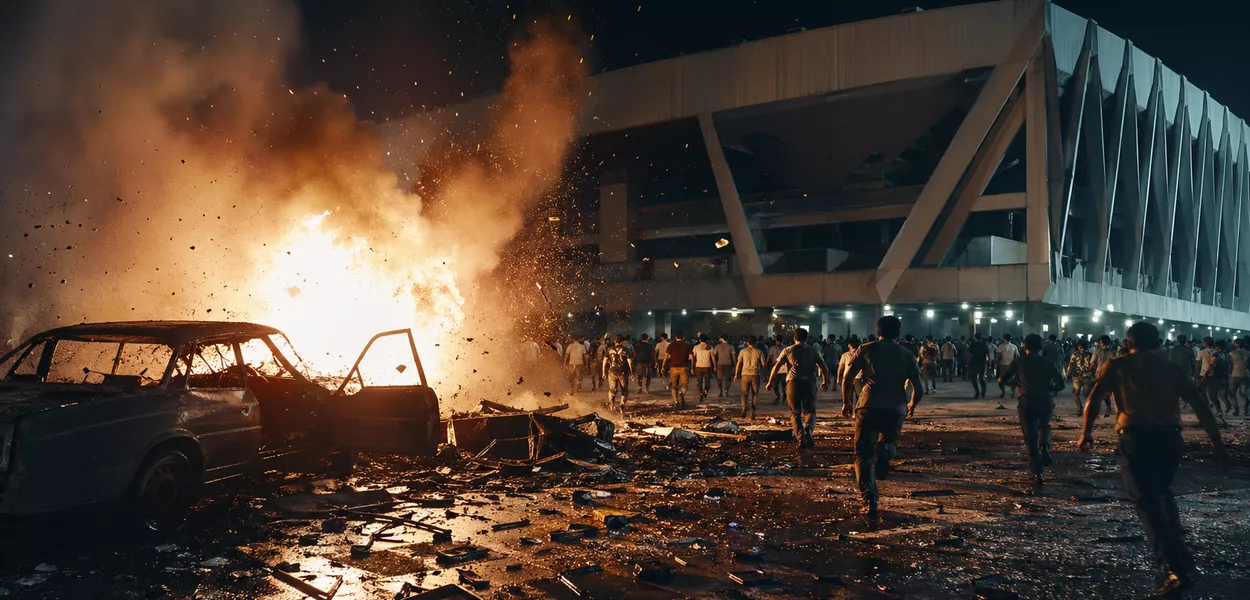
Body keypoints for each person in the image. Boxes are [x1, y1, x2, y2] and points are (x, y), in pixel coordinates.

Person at [1079, 322, 1230, 597]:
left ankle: (1174, 566)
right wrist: (1217, 443)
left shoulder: (1118, 365)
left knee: (1147, 502)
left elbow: (1093, 399)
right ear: (1158, 341)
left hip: (1135, 438)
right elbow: (1199, 404)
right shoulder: (1170, 367)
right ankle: (1176, 541)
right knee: (1162, 491)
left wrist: (1086, 433)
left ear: (1129, 341)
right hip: (1170, 439)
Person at [841, 316, 923, 529]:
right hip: (895, 408)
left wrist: (846, 402)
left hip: (868, 405)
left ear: (878, 330)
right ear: (898, 332)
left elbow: (847, 378)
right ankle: (885, 449)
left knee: (862, 455)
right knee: (889, 443)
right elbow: (919, 387)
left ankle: (870, 501)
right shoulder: (907, 354)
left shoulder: (865, 349)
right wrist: (912, 405)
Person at [998, 334, 1065, 484]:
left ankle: (1037, 471)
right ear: (1041, 347)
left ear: (1025, 346)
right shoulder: (1048, 362)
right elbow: (1061, 384)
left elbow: (1003, 379)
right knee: (1044, 426)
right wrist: (1051, 388)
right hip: (1046, 400)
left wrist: (1012, 384)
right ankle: (1045, 445)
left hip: (1026, 400)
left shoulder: (1018, 361)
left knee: (1030, 437)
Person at [765, 328, 830, 450]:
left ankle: (800, 439)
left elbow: (776, 366)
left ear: (794, 338)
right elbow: (824, 367)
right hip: (809, 383)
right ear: (806, 338)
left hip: (793, 384)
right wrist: (826, 381)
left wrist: (770, 381)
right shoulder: (814, 350)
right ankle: (809, 431)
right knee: (810, 411)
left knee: (795, 412)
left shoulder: (788, 350)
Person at [735, 339, 766, 419]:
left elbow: (739, 363)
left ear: (747, 342)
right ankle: (752, 411)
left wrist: (736, 374)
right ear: (755, 342)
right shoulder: (759, 351)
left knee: (744, 393)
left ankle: (744, 406)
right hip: (755, 374)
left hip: (745, 374)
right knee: (755, 393)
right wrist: (765, 375)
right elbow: (763, 364)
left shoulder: (743, 351)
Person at [1200, 339, 1231, 418]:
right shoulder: (1228, 355)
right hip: (1226, 377)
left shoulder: (1215, 355)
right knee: (1224, 395)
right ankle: (1227, 408)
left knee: (1212, 395)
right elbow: (1231, 366)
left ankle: (1219, 411)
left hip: (1216, 377)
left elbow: (1211, 366)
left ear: (1217, 346)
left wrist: (1205, 374)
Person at [602, 335, 634, 412]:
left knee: (612, 390)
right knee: (624, 390)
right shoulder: (625, 349)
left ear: (614, 341)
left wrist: (603, 372)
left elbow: (604, 361)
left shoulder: (609, 349)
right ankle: (622, 406)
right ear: (622, 342)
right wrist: (632, 373)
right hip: (623, 371)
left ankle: (611, 405)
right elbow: (630, 362)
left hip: (612, 371)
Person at [661, 331, 693, 409]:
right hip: (683, 367)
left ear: (676, 338)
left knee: (674, 386)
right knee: (685, 385)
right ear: (683, 338)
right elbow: (692, 358)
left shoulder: (671, 345)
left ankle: (676, 402)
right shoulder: (687, 346)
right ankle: (681, 393)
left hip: (673, 367)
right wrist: (692, 367)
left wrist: (662, 366)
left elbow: (666, 356)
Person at [1065, 339, 1094, 415]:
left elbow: (1070, 365)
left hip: (1081, 376)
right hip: (1082, 376)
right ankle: (1083, 409)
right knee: (1082, 394)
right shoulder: (1088, 354)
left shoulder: (1077, 354)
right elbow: (1070, 365)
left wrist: (1067, 373)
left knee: (1080, 394)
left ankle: (1082, 408)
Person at [1090, 335, 1116, 417]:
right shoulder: (1112, 352)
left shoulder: (1098, 352)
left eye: (1101, 341)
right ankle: (1107, 409)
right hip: (1103, 375)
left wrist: (1091, 371)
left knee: (1102, 393)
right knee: (1103, 393)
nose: (1100, 343)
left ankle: (1106, 409)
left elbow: (1092, 364)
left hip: (1103, 375)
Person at [996, 334, 1020, 404]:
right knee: (1012, 380)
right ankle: (1012, 392)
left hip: (1003, 365)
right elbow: (1017, 356)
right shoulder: (1014, 346)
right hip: (1012, 364)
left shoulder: (1000, 346)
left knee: (1001, 379)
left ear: (1004, 339)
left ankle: (1003, 391)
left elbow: (998, 356)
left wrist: (996, 364)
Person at [692, 335, 715, 401]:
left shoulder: (696, 347)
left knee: (699, 382)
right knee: (708, 381)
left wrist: (692, 367)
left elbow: (693, 357)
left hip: (698, 366)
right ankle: (706, 390)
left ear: (700, 340)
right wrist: (715, 366)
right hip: (707, 366)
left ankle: (700, 394)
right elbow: (713, 357)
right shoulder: (710, 347)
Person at [1229, 338, 1249, 416]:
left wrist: (1229, 374)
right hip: (1245, 375)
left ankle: (1236, 410)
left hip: (1235, 375)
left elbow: (1230, 365)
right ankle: (1245, 409)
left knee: (1232, 394)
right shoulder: (1248, 353)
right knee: (1243, 393)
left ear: (1237, 344)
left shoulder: (1231, 353)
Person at [966, 333, 990, 398]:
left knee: (973, 379)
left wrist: (967, 363)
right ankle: (983, 392)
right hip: (982, 363)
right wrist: (989, 362)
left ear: (975, 338)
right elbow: (988, 355)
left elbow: (968, 355)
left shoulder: (972, 345)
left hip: (974, 364)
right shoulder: (984, 345)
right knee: (982, 379)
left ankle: (977, 391)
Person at [767, 336, 788, 405]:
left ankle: (782, 396)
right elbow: (770, 356)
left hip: (783, 368)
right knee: (777, 384)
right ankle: (779, 396)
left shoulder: (785, 348)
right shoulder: (773, 348)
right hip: (778, 368)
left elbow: (769, 357)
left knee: (782, 384)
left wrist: (766, 363)